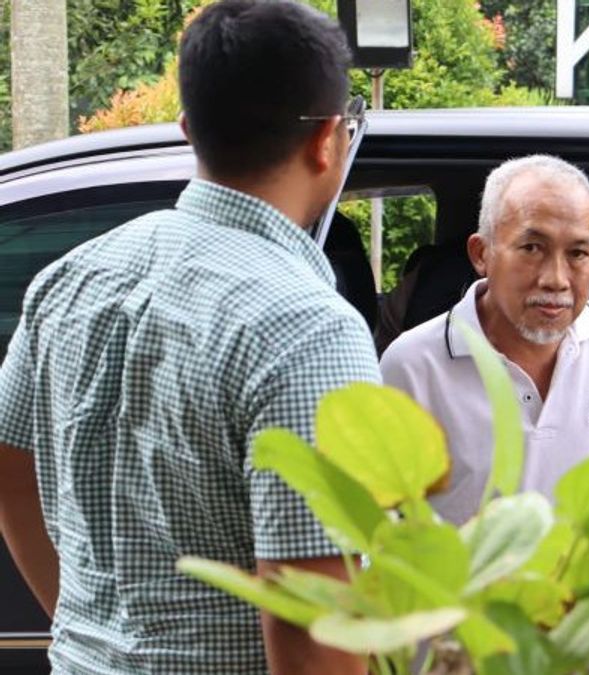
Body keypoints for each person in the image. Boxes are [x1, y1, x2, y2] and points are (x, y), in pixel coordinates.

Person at [0, 2, 377, 673]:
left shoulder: (69, 278)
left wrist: (88, 634)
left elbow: (8, 474)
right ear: (327, 139)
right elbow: (312, 619)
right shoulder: (310, 328)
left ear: (186, 130)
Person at [379, 154, 589, 529]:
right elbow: (383, 534)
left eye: (578, 253)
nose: (556, 279)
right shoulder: (413, 366)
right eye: (532, 248)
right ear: (482, 253)